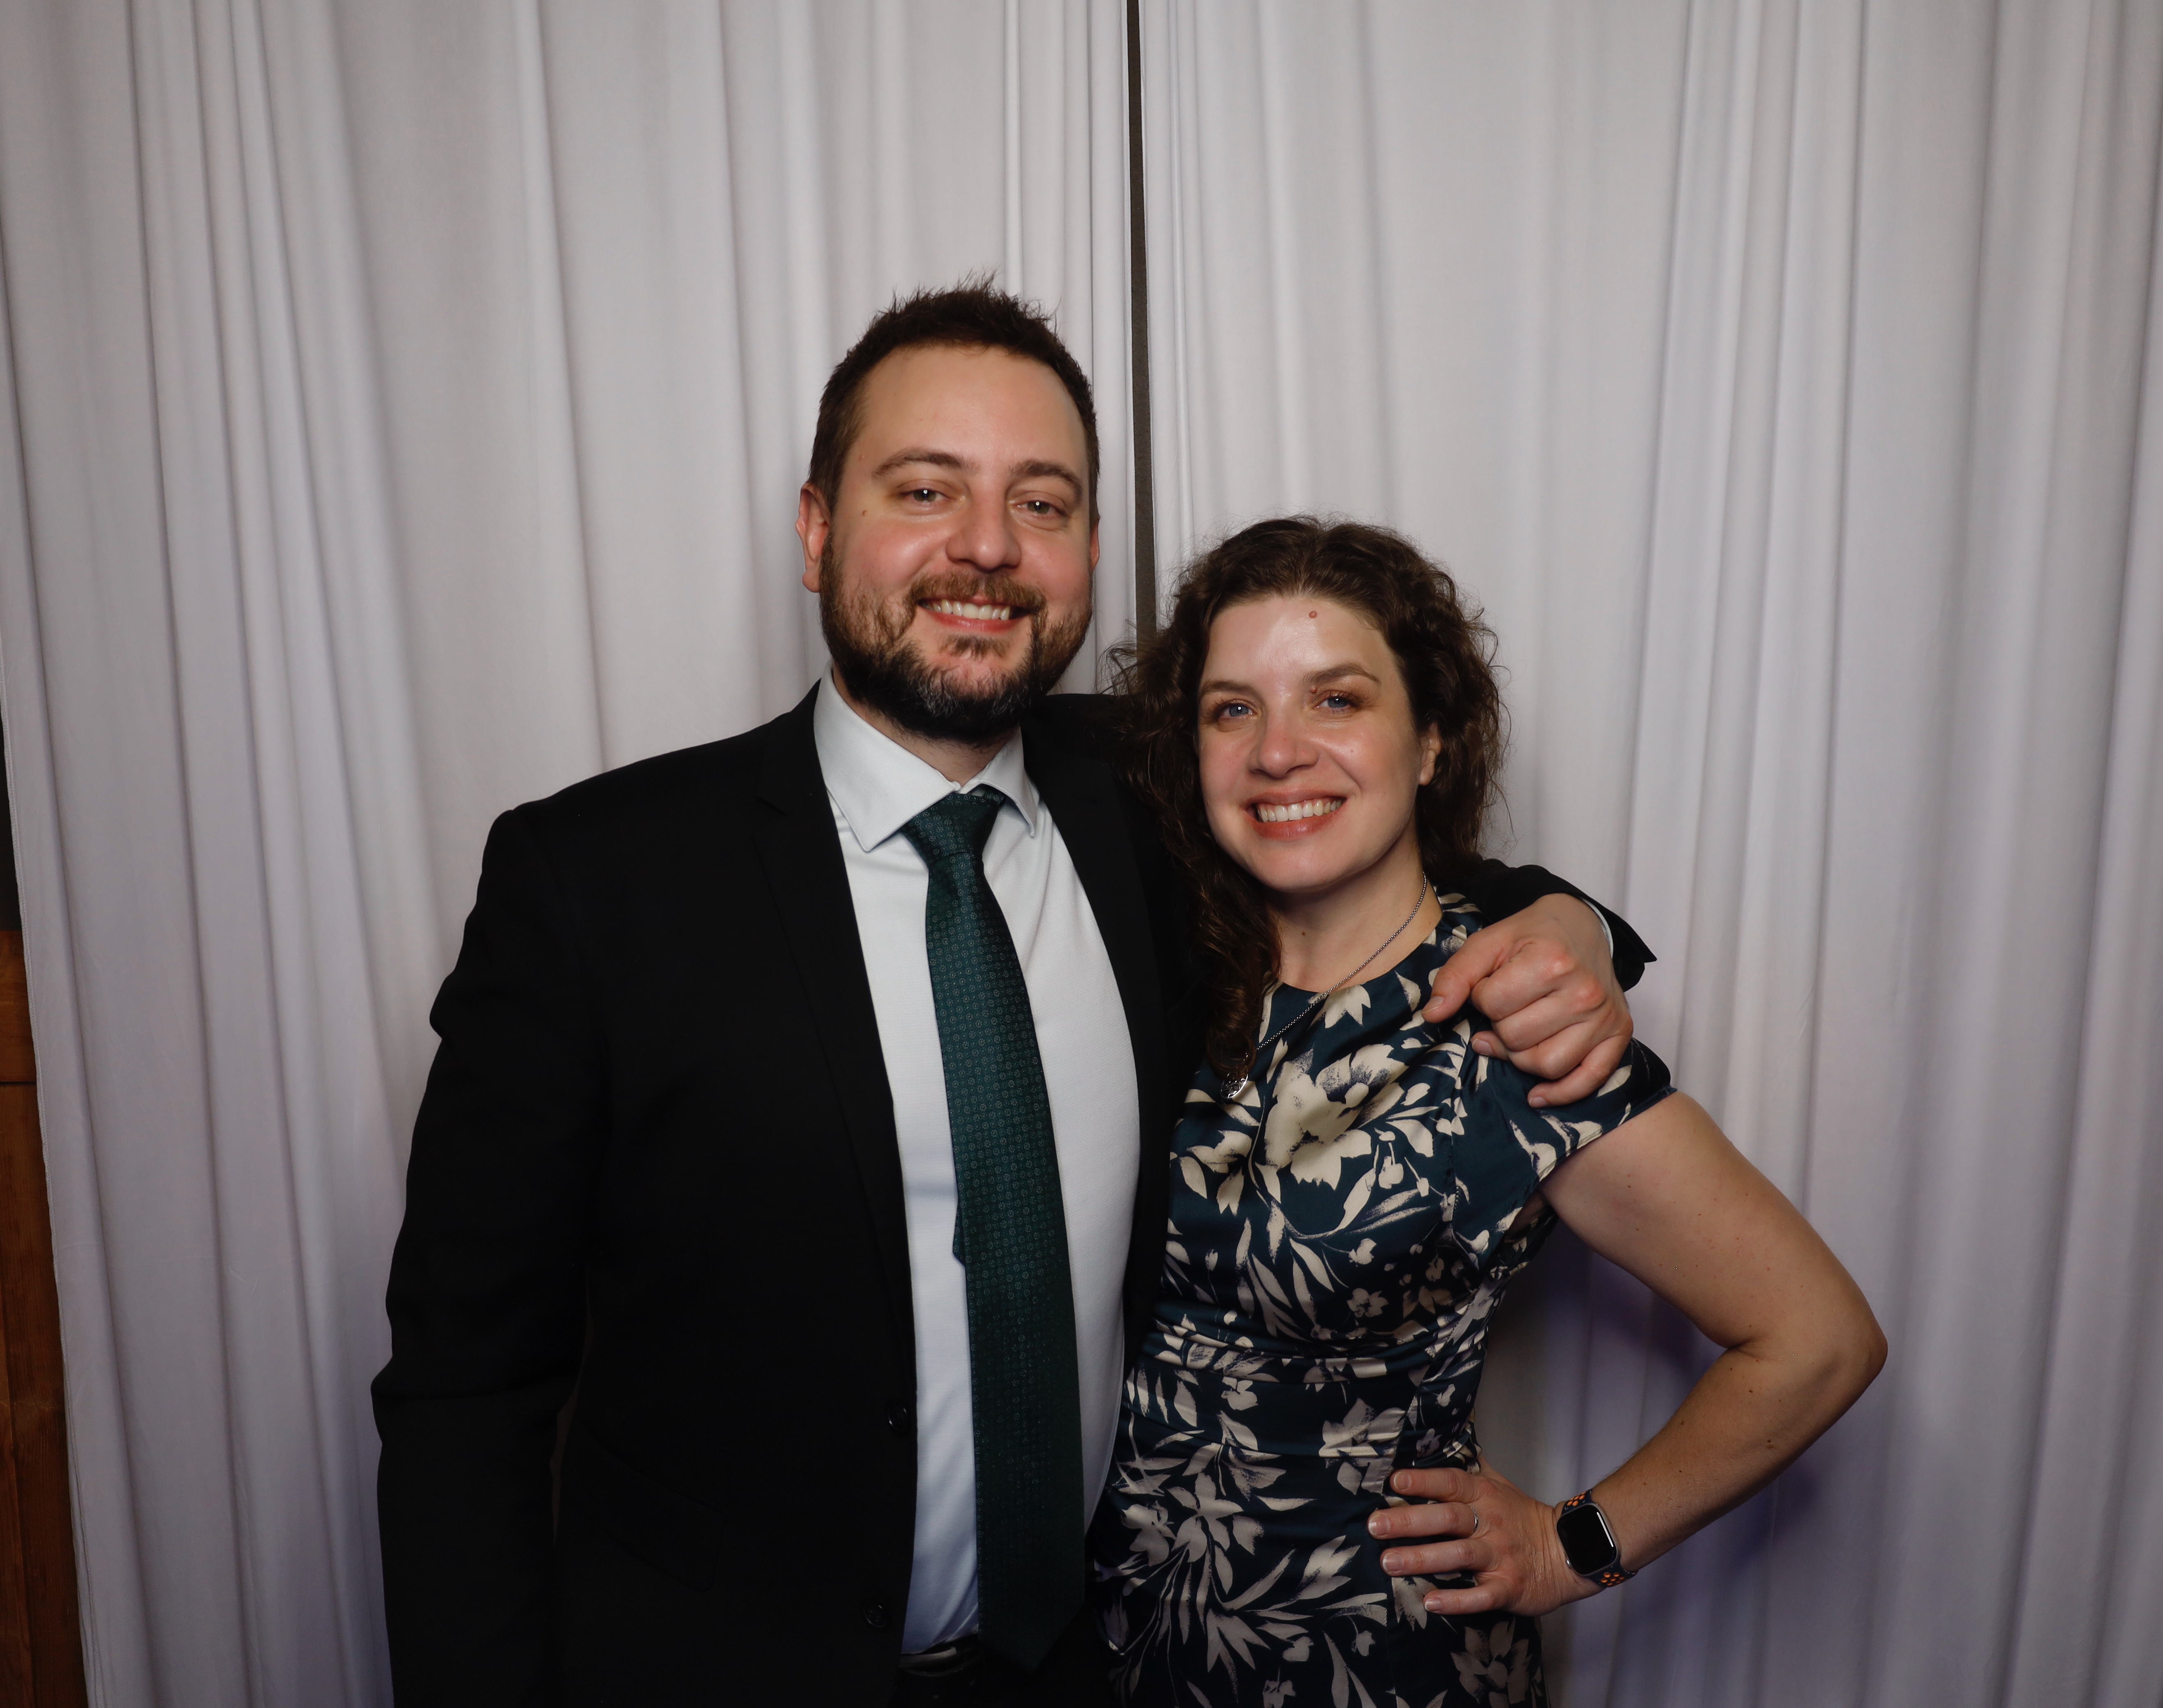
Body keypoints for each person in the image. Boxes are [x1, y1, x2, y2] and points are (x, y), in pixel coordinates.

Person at [371, 285, 1658, 1707]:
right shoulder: (594, 883)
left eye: (1040, 503)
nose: (987, 545)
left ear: (1088, 553)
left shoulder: (1156, 803)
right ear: (816, 531)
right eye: (926, 489)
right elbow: (466, 1391)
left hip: (1093, 1671)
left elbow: (1382, 848)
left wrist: (1574, 927)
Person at [1094, 517, 1886, 1708]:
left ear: (1430, 743)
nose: (1279, 752)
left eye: (1337, 700)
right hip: (1126, 1649)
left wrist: (1572, 1547)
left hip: (1371, 1663)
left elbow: (1818, 1338)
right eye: (1232, 710)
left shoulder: (1514, 1022)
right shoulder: (1166, 968)